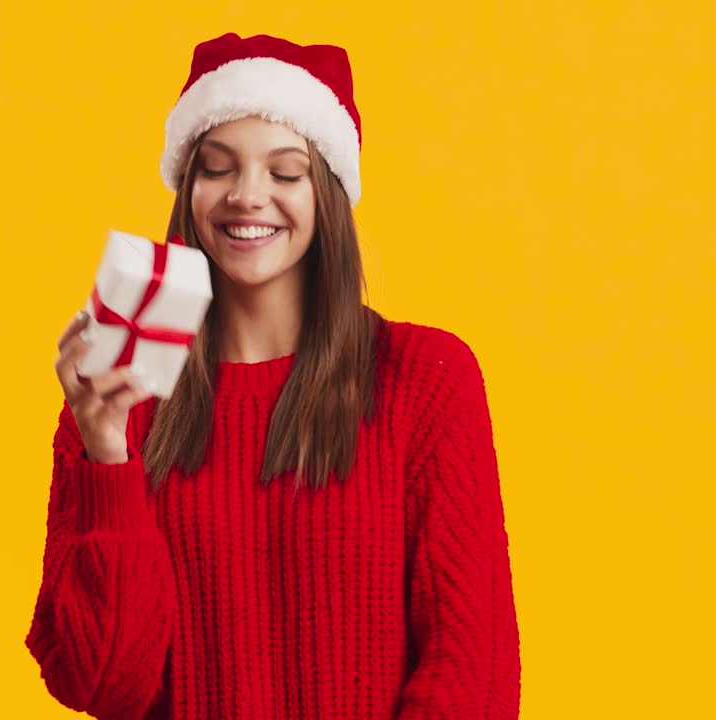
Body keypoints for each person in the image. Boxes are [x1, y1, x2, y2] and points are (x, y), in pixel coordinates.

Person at [26, 32, 520, 719]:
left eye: (285, 173)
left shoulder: (426, 380)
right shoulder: (117, 401)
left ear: (327, 195)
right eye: (217, 168)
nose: (246, 196)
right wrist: (107, 452)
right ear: (188, 189)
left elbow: (474, 674)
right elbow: (105, 686)